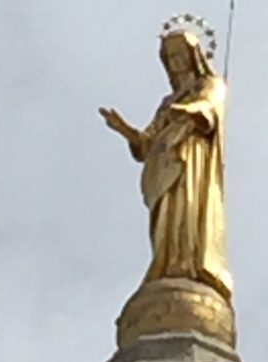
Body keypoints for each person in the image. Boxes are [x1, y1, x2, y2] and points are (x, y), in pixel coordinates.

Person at [99, 30, 233, 300]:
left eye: (180, 55)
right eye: (170, 57)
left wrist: (185, 111)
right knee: (167, 221)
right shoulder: (167, 103)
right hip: (163, 163)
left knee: (188, 211)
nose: (175, 62)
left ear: (192, 56)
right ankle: (168, 264)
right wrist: (123, 128)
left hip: (191, 161)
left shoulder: (209, 83)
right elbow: (147, 143)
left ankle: (188, 265)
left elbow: (208, 106)